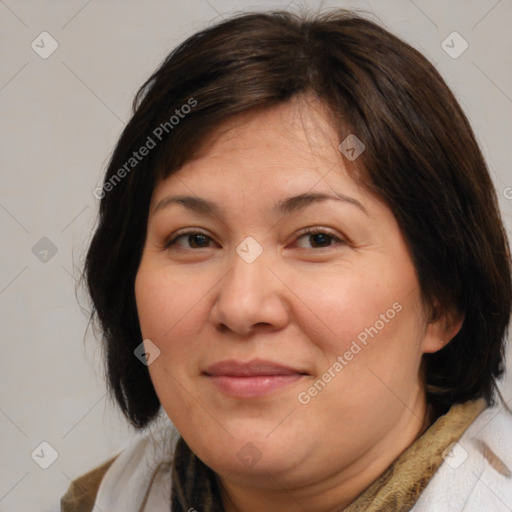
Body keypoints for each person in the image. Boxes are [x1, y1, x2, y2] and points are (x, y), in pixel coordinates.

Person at [61, 8, 512, 512]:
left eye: (318, 239)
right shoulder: (100, 501)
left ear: (442, 301)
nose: (241, 305)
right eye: (193, 239)